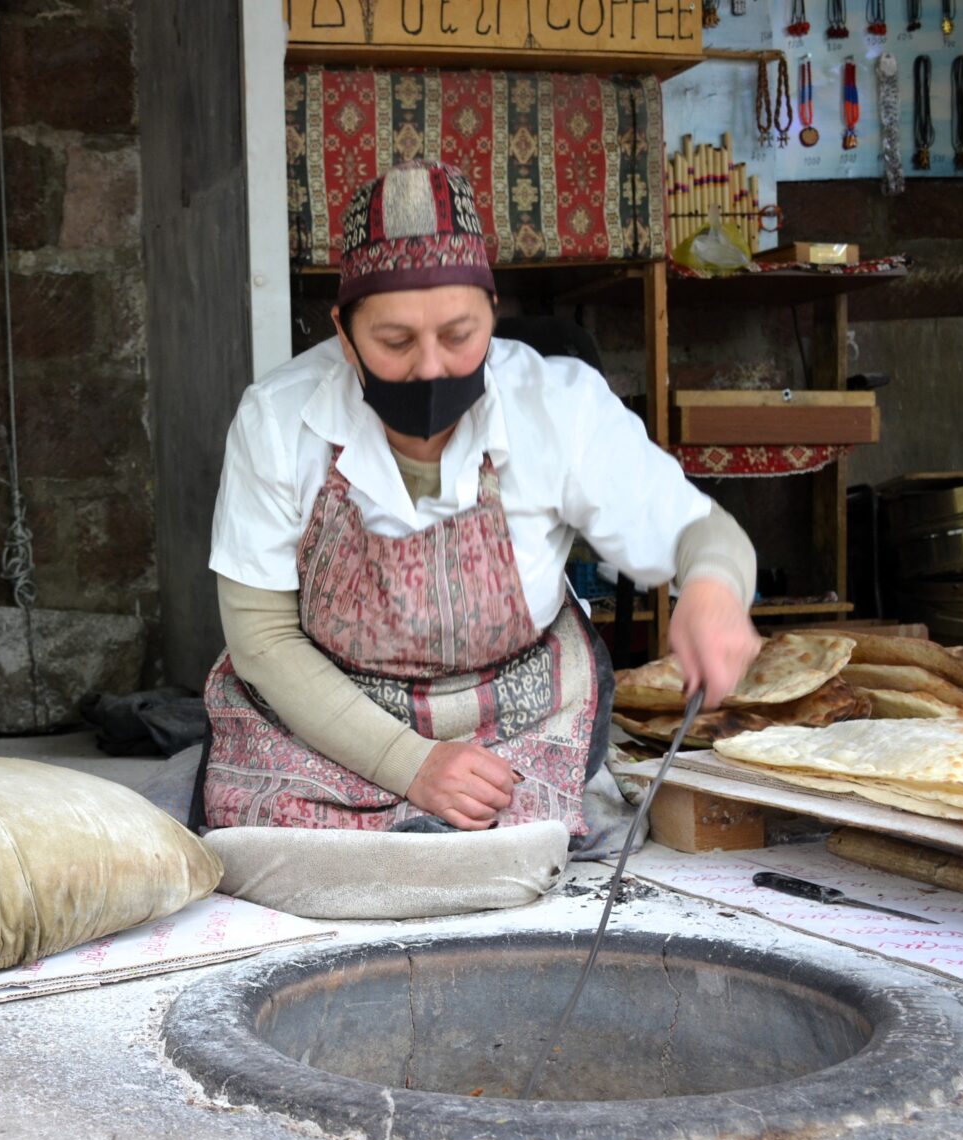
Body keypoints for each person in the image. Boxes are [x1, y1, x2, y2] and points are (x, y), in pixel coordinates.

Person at [203, 160, 761, 840]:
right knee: (289, 851)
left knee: (514, 849)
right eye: (395, 341)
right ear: (344, 336)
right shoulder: (277, 421)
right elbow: (259, 637)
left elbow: (702, 534)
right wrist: (408, 764)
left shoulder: (555, 405)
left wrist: (714, 587)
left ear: (493, 315)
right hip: (331, 718)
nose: (431, 366)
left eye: (459, 335)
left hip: (517, 717)